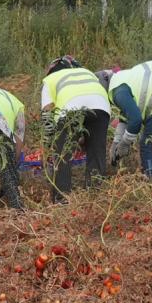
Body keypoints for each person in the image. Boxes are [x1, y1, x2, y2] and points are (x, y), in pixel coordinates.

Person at [41, 56, 110, 201]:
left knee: (63, 156)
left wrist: (49, 146)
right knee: (97, 152)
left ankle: (61, 200)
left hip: (70, 109)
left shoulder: (50, 80)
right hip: (101, 106)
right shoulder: (87, 73)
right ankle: (96, 197)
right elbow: (88, 106)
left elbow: (47, 115)